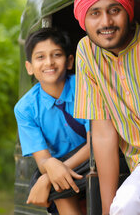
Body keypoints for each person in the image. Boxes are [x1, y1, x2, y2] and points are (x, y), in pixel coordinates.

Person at [73, 0, 140, 215]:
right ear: (83, 19)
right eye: (95, 13)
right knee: (127, 205)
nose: (106, 23)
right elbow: (103, 133)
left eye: (114, 10)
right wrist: (106, 209)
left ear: (127, 10)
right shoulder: (87, 53)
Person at [14, 27, 91, 215]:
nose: (49, 62)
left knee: (50, 178)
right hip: (63, 169)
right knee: (53, 180)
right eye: (40, 57)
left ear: (70, 61)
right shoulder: (25, 109)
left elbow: (96, 143)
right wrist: (51, 171)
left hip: (97, 156)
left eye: (56, 55)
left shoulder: (86, 87)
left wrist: (48, 177)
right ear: (29, 67)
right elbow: (43, 161)